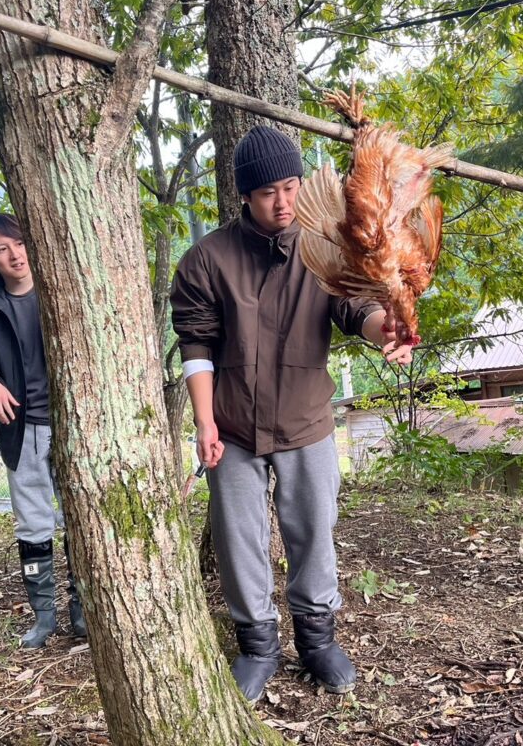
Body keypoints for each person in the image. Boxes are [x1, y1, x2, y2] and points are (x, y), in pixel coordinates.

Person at [170, 125, 412, 703]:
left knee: (312, 533)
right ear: (245, 198)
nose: (283, 201)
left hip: (306, 420)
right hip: (231, 425)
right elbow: (196, 344)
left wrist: (388, 330)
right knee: (239, 539)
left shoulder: (323, 246)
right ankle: (257, 646)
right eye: (268, 192)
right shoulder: (208, 259)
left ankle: (317, 639)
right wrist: (204, 423)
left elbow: (355, 309)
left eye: (291, 186)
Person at [0, 213, 86, 648]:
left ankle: (84, 608)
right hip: (22, 427)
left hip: (75, 424)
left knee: (80, 519)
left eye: (19, 243)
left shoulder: (59, 288)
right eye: (2, 249)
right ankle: (44, 615)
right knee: (33, 522)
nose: (15, 254)